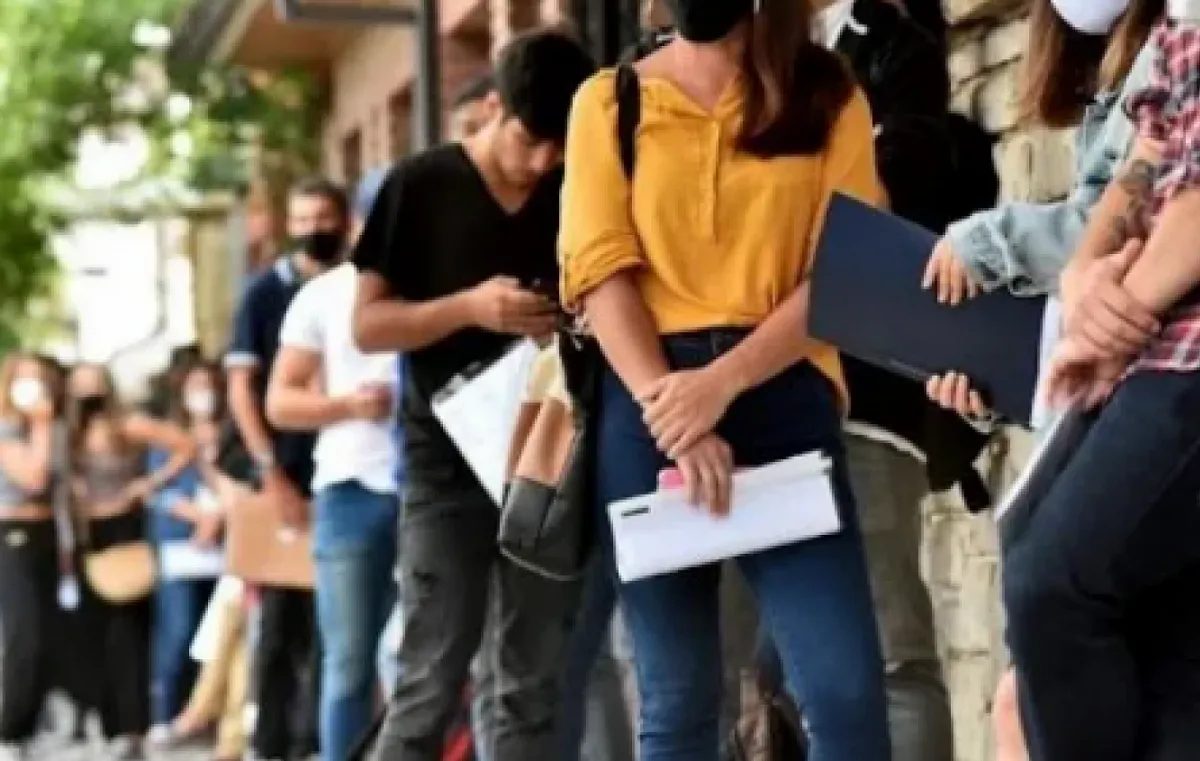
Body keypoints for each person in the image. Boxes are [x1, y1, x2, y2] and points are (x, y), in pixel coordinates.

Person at [558, 1, 891, 760]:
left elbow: (847, 268)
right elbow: (597, 271)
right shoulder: (609, 102)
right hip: (650, 404)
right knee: (678, 697)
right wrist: (678, 411)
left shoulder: (827, 94)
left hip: (782, 392)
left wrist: (724, 383)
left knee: (844, 693)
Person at [921, 1, 1161, 758]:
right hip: (1115, 407)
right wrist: (997, 386)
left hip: (1157, 409)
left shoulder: (1169, 56)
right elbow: (1088, 300)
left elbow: (1115, 218)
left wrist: (985, 240)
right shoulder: (1113, 82)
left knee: (1035, 647)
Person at [351, 29, 595, 761]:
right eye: (532, 139)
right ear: (492, 107)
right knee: (429, 680)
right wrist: (469, 307)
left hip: (547, 464)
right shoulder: (419, 186)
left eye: (561, 145)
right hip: (445, 469)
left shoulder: (573, 187)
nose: (546, 159)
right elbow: (368, 325)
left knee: (528, 687)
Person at [267, 168, 398, 761]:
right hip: (352, 489)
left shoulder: (448, 282)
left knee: (434, 660)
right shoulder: (322, 296)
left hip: (441, 489)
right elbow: (280, 399)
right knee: (349, 660)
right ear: (358, 223)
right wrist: (348, 405)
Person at [225, 176, 349, 761]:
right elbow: (242, 389)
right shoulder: (263, 293)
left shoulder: (361, 285)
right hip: (289, 477)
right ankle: (270, 745)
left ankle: (318, 745)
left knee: (337, 628)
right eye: (301, 219)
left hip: (349, 473)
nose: (312, 230)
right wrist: (269, 471)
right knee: (277, 627)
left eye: (322, 217)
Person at [67, 363, 196, 761]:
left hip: (126, 533)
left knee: (130, 637)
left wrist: (148, 485)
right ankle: (105, 722)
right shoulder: (65, 433)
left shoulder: (126, 426)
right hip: (84, 538)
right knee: (92, 636)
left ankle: (132, 727)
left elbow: (184, 445)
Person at [149, 360, 226, 744]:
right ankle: (166, 714)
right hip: (181, 547)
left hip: (223, 549)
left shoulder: (229, 434)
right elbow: (158, 491)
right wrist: (199, 518)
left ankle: (209, 713)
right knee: (178, 631)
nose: (202, 394)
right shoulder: (168, 437)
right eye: (195, 385)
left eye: (209, 385)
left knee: (215, 636)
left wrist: (217, 518)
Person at [0, 353, 66, 761]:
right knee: (24, 633)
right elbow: (34, 476)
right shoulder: (8, 430)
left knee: (51, 630)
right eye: (23, 380)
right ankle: (9, 728)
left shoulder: (53, 428)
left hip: (47, 533)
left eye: (38, 379)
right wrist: (41, 424)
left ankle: (36, 718)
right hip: (13, 534)